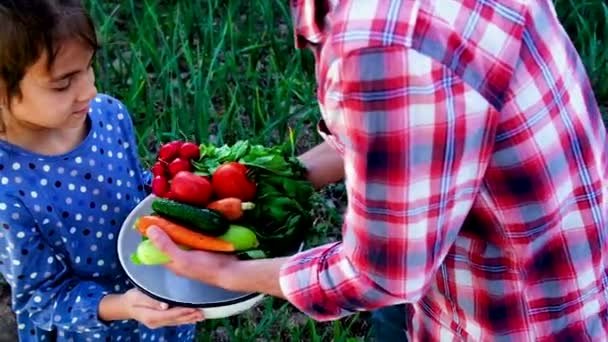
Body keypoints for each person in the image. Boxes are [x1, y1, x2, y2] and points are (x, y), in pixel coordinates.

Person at [148, 0, 608, 340]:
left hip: (510, 314)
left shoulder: (381, 45)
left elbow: (379, 276)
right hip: (522, 259)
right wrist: (276, 181)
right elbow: (423, 141)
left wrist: (222, 274)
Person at [0, 1, 202, 341]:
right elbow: (42, 298)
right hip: (94, 327)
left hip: (156, 295)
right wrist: (123, 306)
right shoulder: (8, 193)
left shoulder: (108, 115)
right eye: (63, 84)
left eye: (88, 67)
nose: (89, 90)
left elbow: (138, 194)